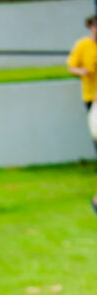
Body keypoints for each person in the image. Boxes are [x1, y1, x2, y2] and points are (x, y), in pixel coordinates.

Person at [67, 15, 97, 212]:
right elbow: (71, 66)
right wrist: (82, 72)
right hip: (92, 98)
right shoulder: (83, 45)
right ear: (90, 27)